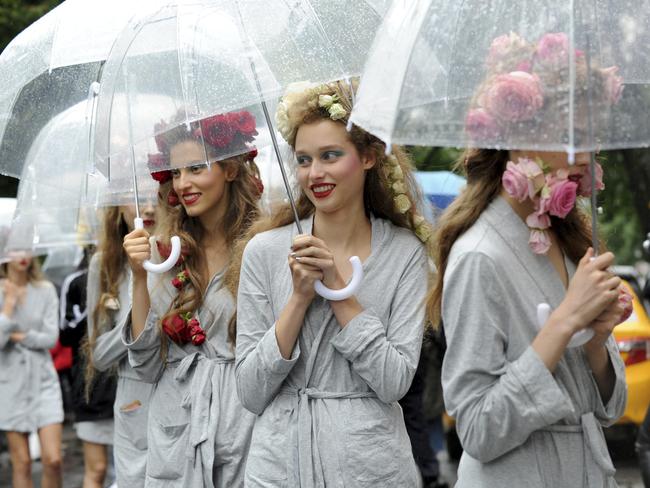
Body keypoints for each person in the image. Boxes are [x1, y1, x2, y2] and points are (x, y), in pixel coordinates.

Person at [428, 32, 629, 487]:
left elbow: (610, 410)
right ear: (516, 136)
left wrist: (596, 340)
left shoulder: (570, 241)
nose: (585, 156)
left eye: (590, 138)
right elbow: (477, 428)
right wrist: (563, 323)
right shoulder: (479, 256)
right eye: (569, 136)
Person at [235, 80, 433, 487]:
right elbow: (250, 392)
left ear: (368, 157)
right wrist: (298, 299)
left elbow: (394, 381)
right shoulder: (265, 251)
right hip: (280, 466)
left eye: (330, 155)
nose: (315, 173)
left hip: (370, 465)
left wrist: (339, 289)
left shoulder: (405, 253)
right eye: (304, 159)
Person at [122, 110, 262, 486]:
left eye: (196, 168)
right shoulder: (165, 254)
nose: (183, 183)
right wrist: (139, 278)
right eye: (176, 173)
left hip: (244, 423)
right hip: (176, 422)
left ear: (230, 169)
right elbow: (146, 366)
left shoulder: (264, 247)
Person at [86, 204, 157, 487]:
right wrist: (141, 318)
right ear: (117, 205)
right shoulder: (105, 264)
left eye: (156, 194)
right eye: (136, 197)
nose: (149, 206)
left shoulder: (182, 252)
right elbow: (99, 355)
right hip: (135, 402)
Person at [0, 254, 63, 488]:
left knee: (53, 459)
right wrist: (7, 307)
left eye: (26, 248)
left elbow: (50, 339)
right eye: (15, 249)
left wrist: (17, 336)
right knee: (22, 462)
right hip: (9, 385)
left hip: (44, 380)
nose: (22, 256)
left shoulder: (45, 289)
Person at [59, 248, 117, 488]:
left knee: (131, 470)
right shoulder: (75, 281)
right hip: (90, 388)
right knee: (98, 468)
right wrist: (95, 308)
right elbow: (65, 334)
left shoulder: (134, 268)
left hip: (126, 385)